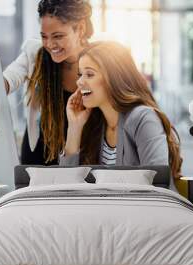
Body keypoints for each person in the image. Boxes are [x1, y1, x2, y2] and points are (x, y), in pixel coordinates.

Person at [60, 41, 183, 182]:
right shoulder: (94, 125)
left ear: (114, 77)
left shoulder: (143, 119)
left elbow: (158, 184)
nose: (79, 82)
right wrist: (74, 127)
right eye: (80, 74)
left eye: (89, 74)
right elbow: (66, 185)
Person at [3, 0, 93, 165]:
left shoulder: (98, 61)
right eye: (44, 36)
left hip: (80, 155)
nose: (50, 44)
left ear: (80, 29)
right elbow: (11, 77)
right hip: (38, 155)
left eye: (58, 36)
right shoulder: (35, 54)